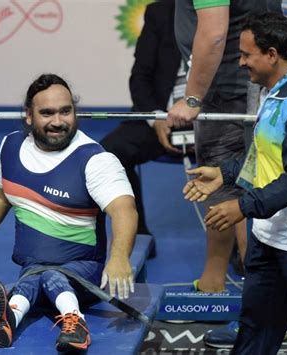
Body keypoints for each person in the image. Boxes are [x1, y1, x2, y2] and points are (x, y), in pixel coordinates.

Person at [0, 74, 138, 351]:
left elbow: (124, 209)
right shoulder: (11, 147)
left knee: (50, 276)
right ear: (29, 116)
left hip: (84, 273)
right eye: (47, 113)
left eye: (65, 111)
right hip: (33, 266)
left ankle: (76, 323)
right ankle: (7, 319)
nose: (58, 121)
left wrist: (119, 257)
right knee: (31, 281)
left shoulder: (96, 160)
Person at [183, 12, 287, 354]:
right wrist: (225, 174)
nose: (241, 62)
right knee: (254, 337)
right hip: (266, 240)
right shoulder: (271, 93)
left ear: (272, 54)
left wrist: (242, 206)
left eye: (247, 54)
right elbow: (263, 157)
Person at [101, 0, 183, 239]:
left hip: (213, 121)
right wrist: (156, 119)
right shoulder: (160, 12)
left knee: (233, 155)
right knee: (109, 154)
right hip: (161, 117)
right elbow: (140, 76)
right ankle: (137, 235)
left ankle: (236, 247)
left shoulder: (230, 15)